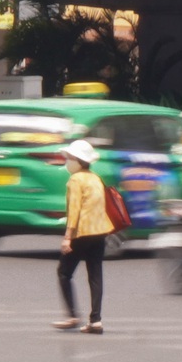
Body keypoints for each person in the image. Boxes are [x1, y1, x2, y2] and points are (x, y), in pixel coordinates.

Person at [54, 139, 119, 334]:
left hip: (82, 232)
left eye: (70, 157)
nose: (67, 160)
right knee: (95, 275)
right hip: (100, 232)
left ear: (78, 161)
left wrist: (67, 238)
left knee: (64, 273)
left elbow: (74, 211)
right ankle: (96, 320)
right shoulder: (95, 178)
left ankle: (73, 315)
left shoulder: (76, 180)